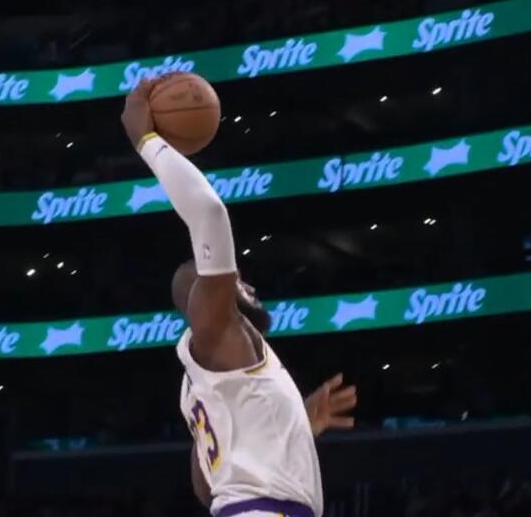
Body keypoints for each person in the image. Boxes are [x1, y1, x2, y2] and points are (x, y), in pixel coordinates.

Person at [121, 75, 356, 517]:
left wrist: (294, 428)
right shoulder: (219, 332)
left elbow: (207, 488)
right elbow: (209, 212)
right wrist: (146, 140)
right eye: (233, 278)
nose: (246, 283)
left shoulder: (198, 384)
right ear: (208, 295)